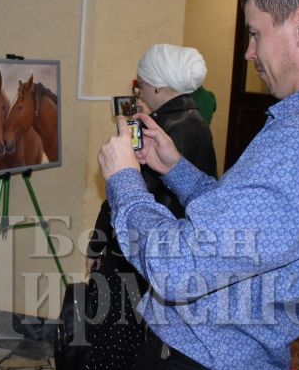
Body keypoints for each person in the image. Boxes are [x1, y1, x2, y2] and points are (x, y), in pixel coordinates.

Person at [97, 0, 299, 369]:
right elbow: (246, 225)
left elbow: (177, 269)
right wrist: (175, 169)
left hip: (201, 355)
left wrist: (124, 180)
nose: (249, 52)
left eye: (256, 34)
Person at [85, 44, 217, 370]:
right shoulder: (197, 122)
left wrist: (97, 244)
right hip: (170, 252)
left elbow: (126, 194)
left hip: (140, 251)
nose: (138, 90)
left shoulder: (158, 130)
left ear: (157, 85)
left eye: (141, 84)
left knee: (112, 338)